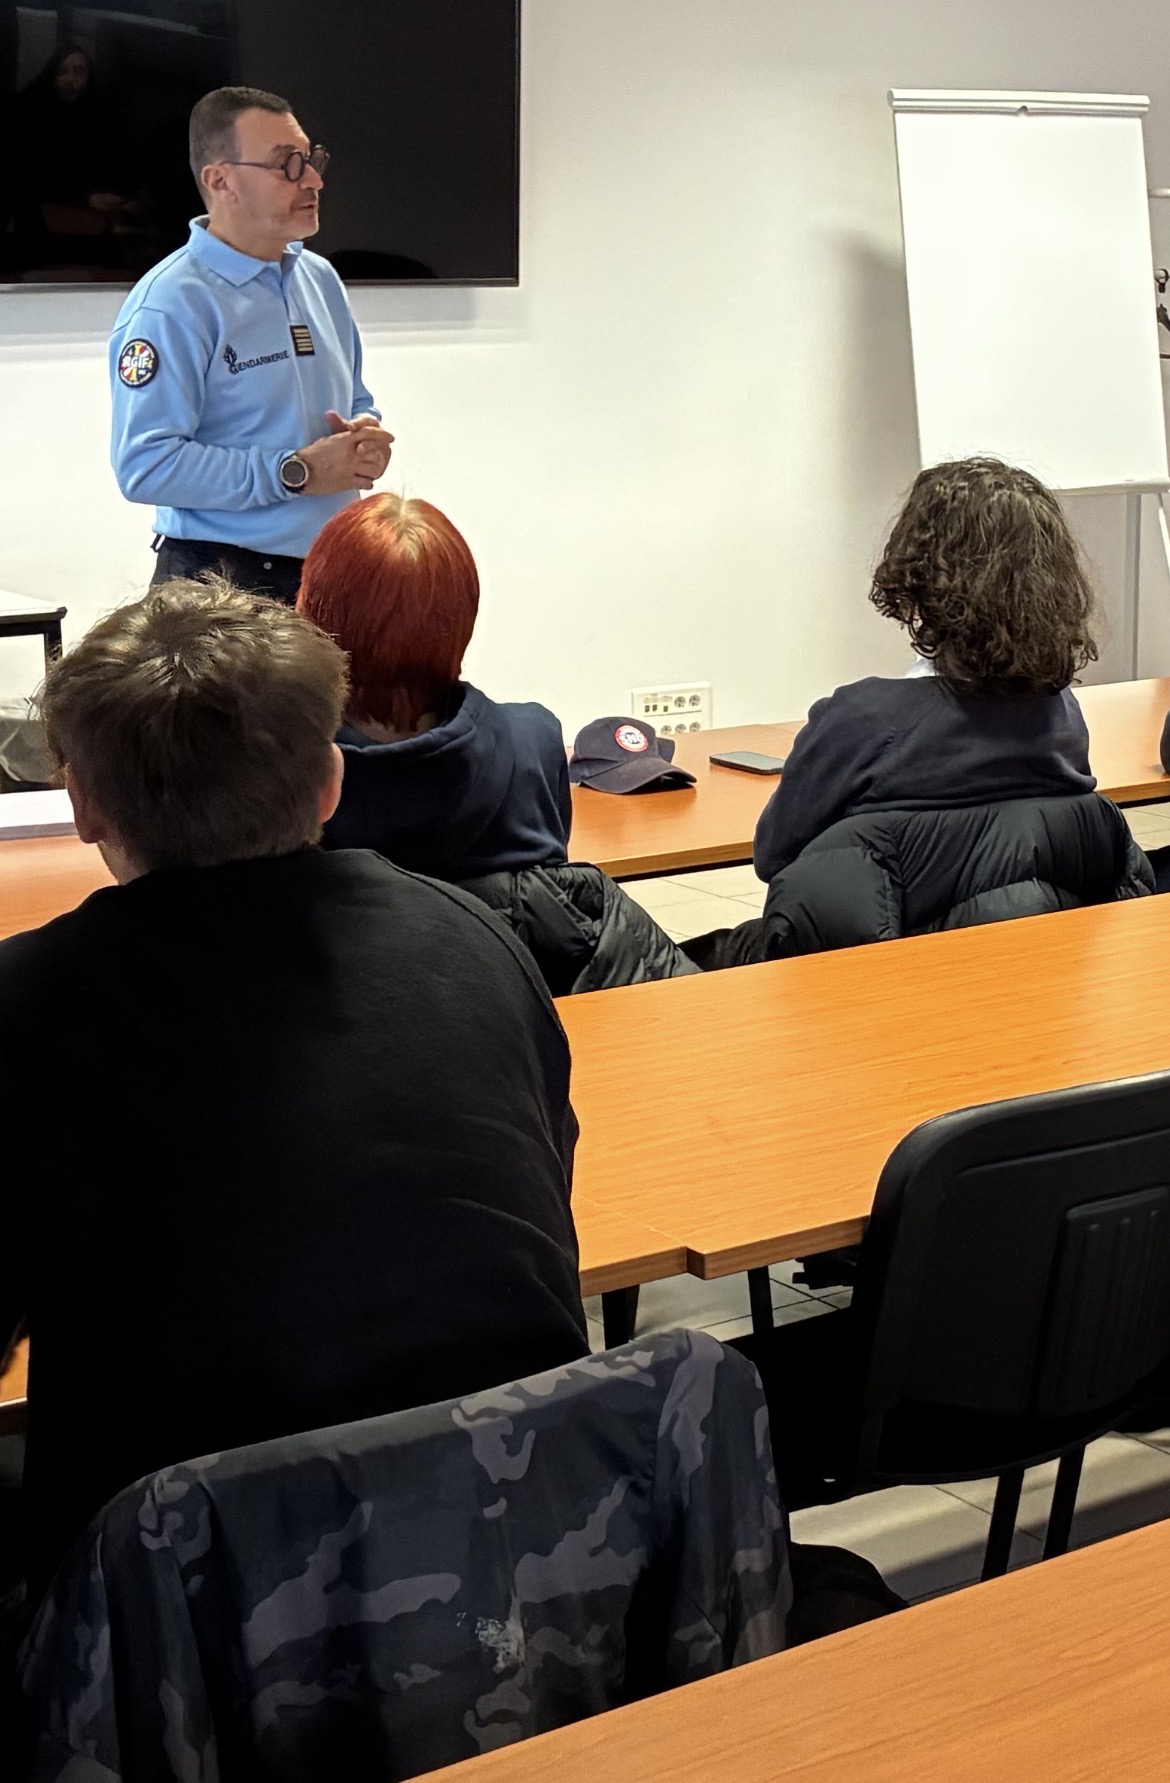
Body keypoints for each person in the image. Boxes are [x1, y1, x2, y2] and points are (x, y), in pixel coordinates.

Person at [0, 581, 587, 1612]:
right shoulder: (476, 939)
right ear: (329, 782)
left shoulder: (27, 1003)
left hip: (181, 1621)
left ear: (81, 801)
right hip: (531, 1559)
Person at [297, 494, 698, 991]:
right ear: (463, 618)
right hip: (518, 1009)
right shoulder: (535, 739)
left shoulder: (278, 766)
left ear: (315, 612)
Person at [753, 456, 1100, 882]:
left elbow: (775, 857)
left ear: (919, 571)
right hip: (1030, 921)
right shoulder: (1061, 714)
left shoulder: (861, 718)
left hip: (885, 924)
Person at [108, 86, 393, 604]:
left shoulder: (320, 278)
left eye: (312, 160)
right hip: (220, 585)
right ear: (220, 180)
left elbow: (356, 398)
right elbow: (146, 466)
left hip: (329, 570)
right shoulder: (172, 303)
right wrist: (297, 471)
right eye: (288, 165)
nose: (314, 180)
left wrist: (364, 435)